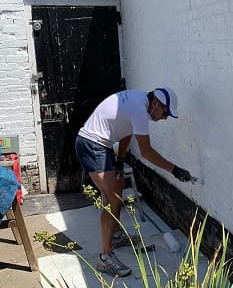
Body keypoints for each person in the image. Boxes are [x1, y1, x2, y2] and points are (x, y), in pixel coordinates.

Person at [75, 87, 193, 277]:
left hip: (100, 145)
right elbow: (146, 152)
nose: (164, 118)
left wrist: (120, 160)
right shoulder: (139, 109)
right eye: (165, 113)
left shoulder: (140, 101)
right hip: (91, 145)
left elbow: (126, 131)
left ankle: (114, 235)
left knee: (118, 187)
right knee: (112, 198)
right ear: (155, 103)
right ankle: (105, 257)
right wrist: (175, 170)